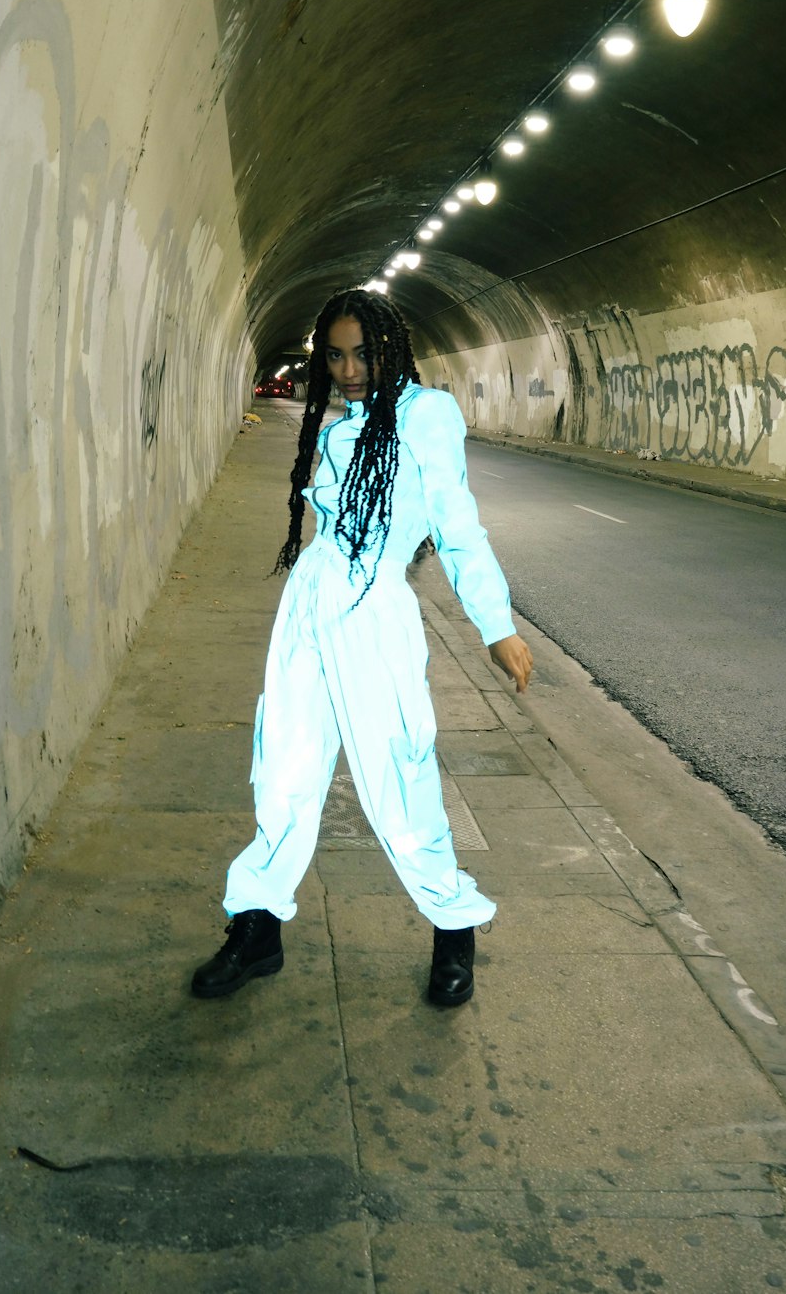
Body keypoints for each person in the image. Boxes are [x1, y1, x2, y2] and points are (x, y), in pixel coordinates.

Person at [191, 288, 533, 1007]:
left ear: (391, 349)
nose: (349, 370)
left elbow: (458, 522)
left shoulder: (427, 415)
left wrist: (495, 624)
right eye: (337, 356)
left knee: (397, 776)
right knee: (281, 767)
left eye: (363, 353)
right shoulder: (340, 423)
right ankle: (257, 928)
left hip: (374, 613)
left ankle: (452, 926)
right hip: (309, 602)